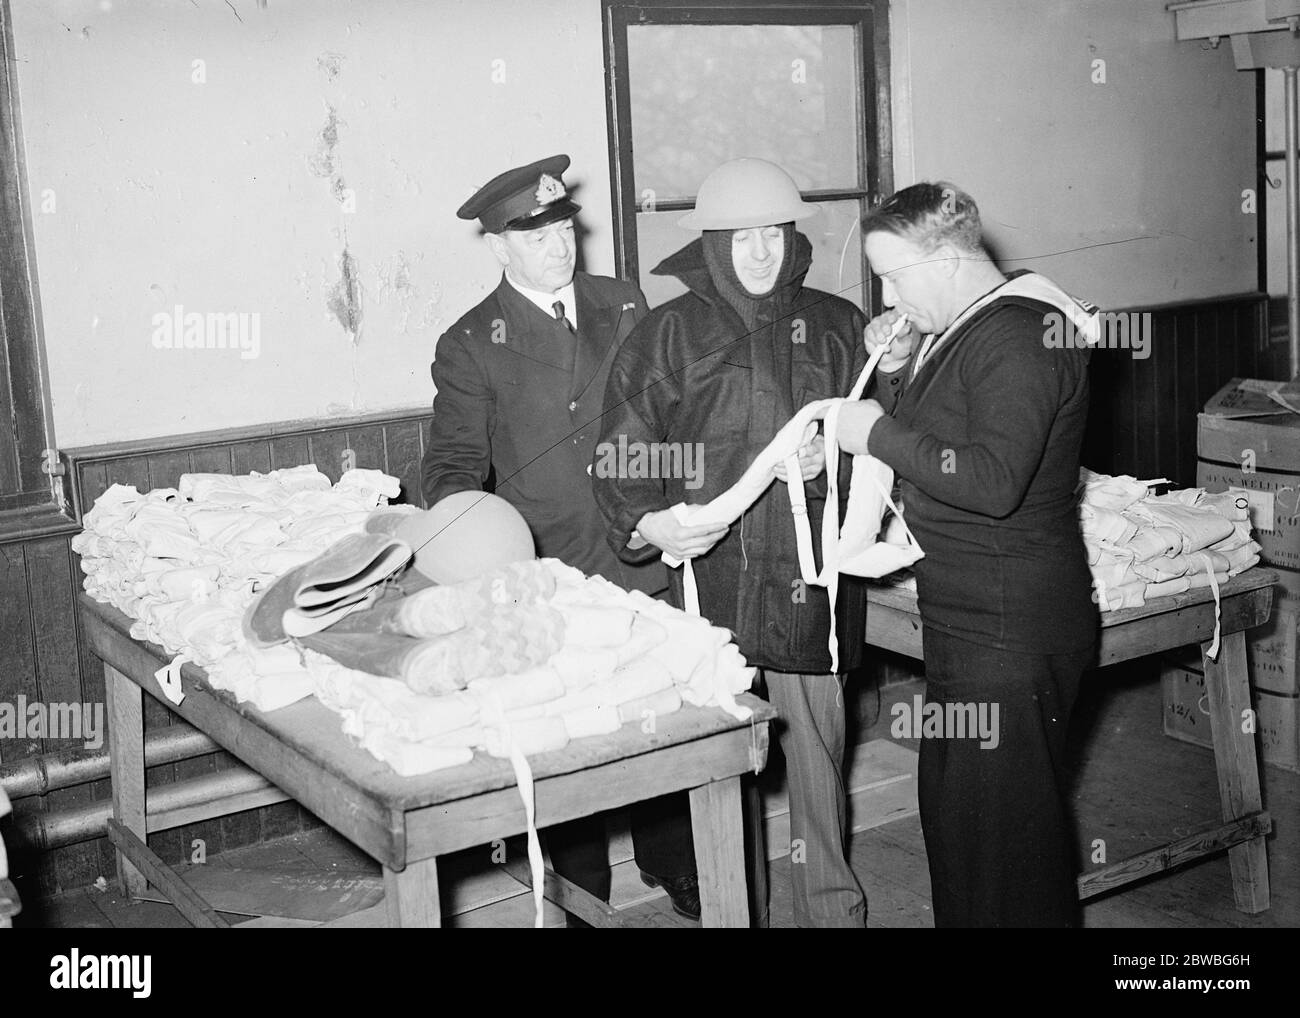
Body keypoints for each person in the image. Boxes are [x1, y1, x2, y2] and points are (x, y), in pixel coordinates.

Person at [420, 154, 700, 922]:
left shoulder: (628, 302)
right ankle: (582, 899)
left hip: (642, 552)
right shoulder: (472, 340)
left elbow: (668, 414)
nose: (557, 243)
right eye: (533, 232)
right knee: (566, 748)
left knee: (661, 717)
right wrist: (479, 551)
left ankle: (675, 863)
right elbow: (450, 468)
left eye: (563, 226)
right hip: (551, 571)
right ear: (499, 246)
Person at [593, 157, 869, 928]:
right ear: (713, 243)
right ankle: (731, 909)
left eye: (771, 235)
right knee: (722, 767)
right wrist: (649, 520)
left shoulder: (838, 324)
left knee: (818, 757)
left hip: (812, 580)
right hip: (708, 587)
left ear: (791, 239)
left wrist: (831, 459)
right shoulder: (670, 334)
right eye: (740, 237)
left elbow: (880, 441)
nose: (758, 253)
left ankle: (832, 913)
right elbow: (623, 454)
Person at [835, 181, 1097, 927]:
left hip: (1011, 629)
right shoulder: (972, 323)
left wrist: (873, 431)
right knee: (966, 828)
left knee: (1005, 852)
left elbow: (991, 480)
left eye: (893, 275)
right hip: (967, 620)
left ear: (948, 260)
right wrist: (901, 364)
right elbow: (949, 428)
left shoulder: (1021, 334)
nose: (885, 292)